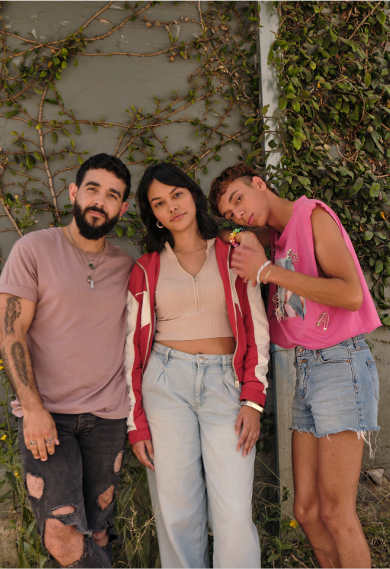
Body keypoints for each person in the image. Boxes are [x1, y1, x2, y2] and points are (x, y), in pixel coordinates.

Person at [209, 162, 381, 569]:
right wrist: (239, 233)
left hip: (342, 362)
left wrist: (268, 272)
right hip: (307, 369)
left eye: (239, 200)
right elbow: (219, 232)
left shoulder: (312, 216)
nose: (239, 214)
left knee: (337, 511)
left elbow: (351, 293)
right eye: (231, 213)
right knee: (305, 511)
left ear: (259, 183)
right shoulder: (276, 237)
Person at [124, 163, 270, 568]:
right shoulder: (145, 268)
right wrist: (135, 422)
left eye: (176, 194)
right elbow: (131, 351)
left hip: (226, 382)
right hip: (165, 384)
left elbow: (258, 329)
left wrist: (253, 400)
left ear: (191, 195)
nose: (171, 206)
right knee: (177, 509)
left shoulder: (233, 251)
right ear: (153, 215)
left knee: (233, 509)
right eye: (159, 203)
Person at [0, 154, 134, 568]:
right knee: (61, 534)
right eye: (93, 189)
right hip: (49, 417)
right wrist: (34, 408)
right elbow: (11, 332)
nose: (100, 201)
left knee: (95, 530)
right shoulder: (34, 249)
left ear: (122, 208)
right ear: (75, 192)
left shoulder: (128, 267)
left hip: (108, 419)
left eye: (112, 195)